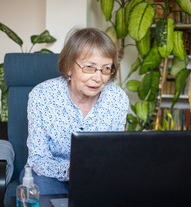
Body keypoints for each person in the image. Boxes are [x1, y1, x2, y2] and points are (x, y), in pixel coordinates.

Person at [20, 27, 129, 195]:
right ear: (69, 67)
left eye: (106, 68)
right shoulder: (42, 96)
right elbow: (38, 158)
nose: (98, 78)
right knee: (48, 204)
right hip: (49, 176)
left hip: (98, 177)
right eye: (89, 68)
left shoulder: (117, 99)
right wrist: (73, 170)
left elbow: (115, 154)